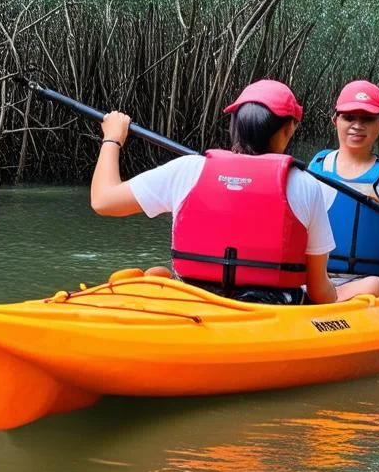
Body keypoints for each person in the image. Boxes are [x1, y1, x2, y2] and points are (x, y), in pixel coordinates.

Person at [89, 79, 342, 306]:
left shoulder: (187, 169)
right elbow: (320, 291)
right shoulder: (305, 184)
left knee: (158, 274)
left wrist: (112, 138)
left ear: (234, 124)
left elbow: (103, 200)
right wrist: (344, 306)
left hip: (196, 302)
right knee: (378, 286)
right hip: (270, 311)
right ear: (289, 128)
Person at [309, 80, 379, 297]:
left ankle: (328, 298)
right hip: (320, 275)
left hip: (375, 276)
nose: (357, 125)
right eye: (349, 117)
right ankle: (325, 295)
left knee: (374, 287)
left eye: (367, 119)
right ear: (335, 120)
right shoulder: (317, 165)